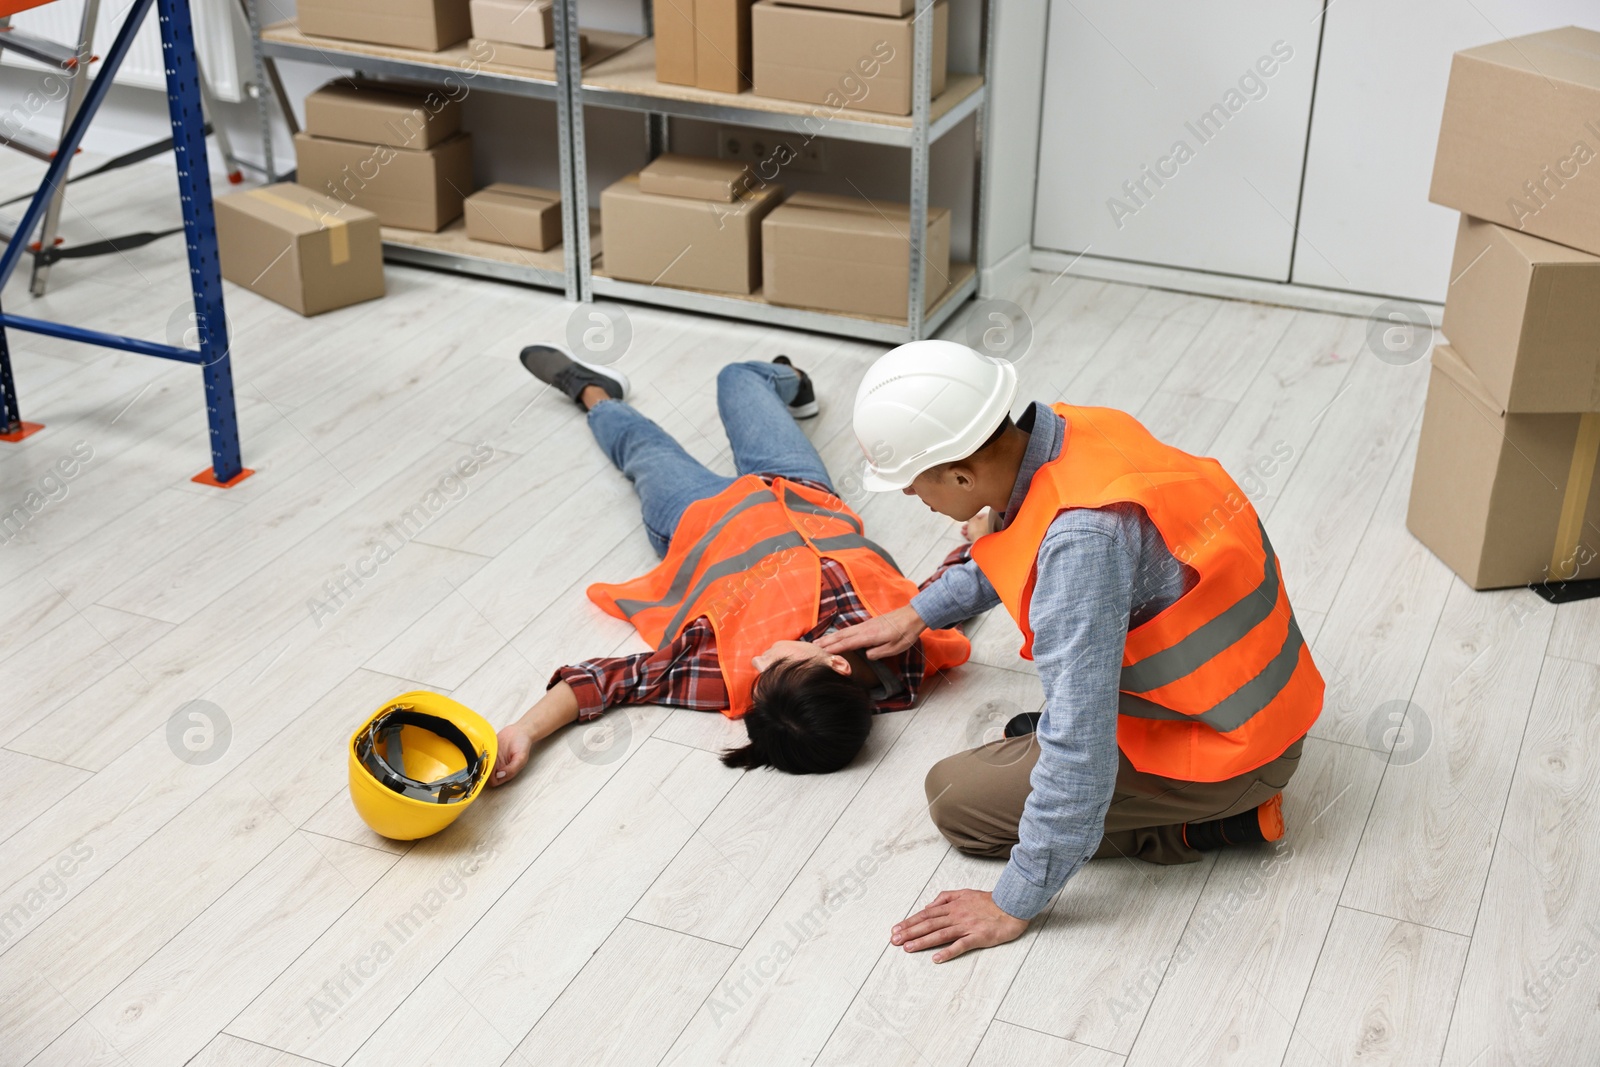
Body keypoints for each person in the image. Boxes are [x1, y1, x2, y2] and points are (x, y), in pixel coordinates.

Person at [816, 339, 1324, 963]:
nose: (906, 496)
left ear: (960, 475)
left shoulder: (1082, 545)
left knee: (956, 800)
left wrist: (1013, 902)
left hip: (1227, 755)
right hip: (1258, 709)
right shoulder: (1074, 433)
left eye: (911, 482)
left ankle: (1212, 823)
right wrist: (918, 613)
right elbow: (1024, 536)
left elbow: (1080, 751)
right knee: (1040, 741)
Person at [490, 345, 970, 785]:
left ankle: (593, 391)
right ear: (837, 663)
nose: (757, 662)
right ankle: (792, 379)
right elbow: (954, 586)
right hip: (798, 489)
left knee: (641, 446)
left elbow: (609, 679)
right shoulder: (909, 643)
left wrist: (525, 729)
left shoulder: (722, 668)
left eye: (757, 677)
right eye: (774, 664)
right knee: (737, 377)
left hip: (698, 517)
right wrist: (980, 534)